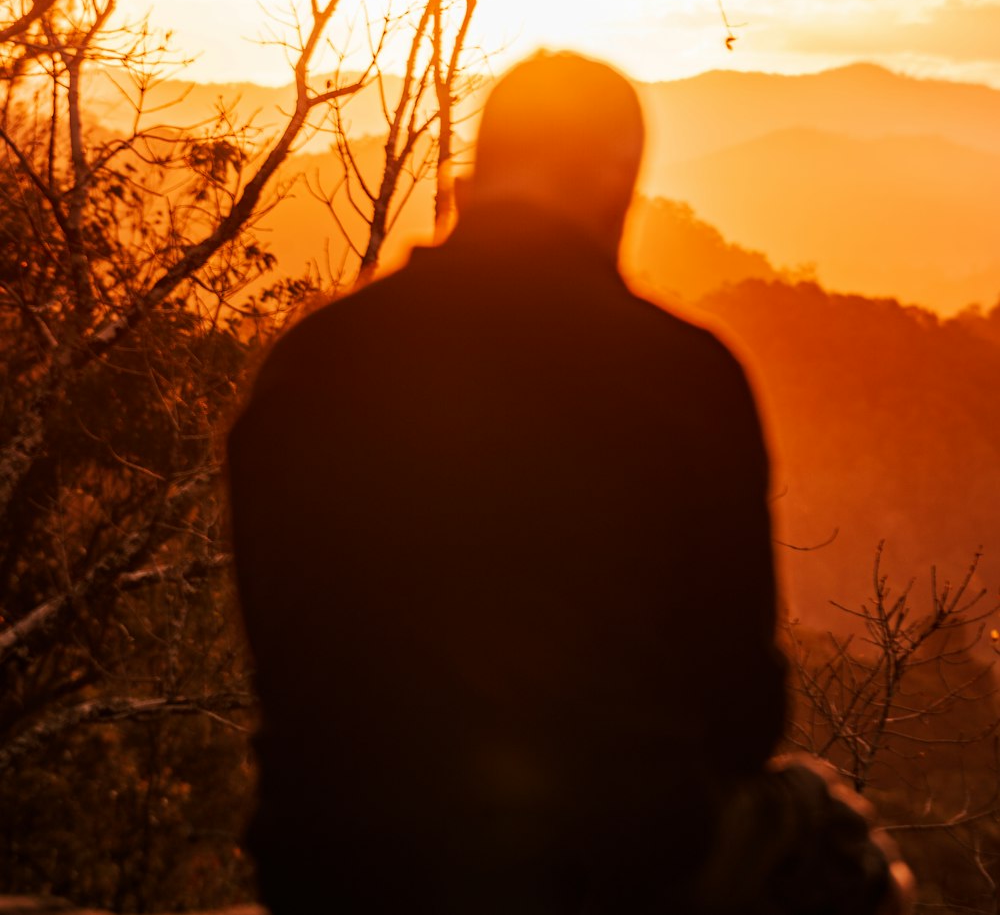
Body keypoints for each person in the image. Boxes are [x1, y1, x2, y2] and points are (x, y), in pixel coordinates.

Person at [226, 50, 789, 913]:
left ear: (477, 179)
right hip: (613, 870)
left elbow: (286, 656)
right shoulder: (684, 377)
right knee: (829, 844)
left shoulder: (315, 362)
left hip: (339, 865)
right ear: (613, 188)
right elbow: (743, 709)